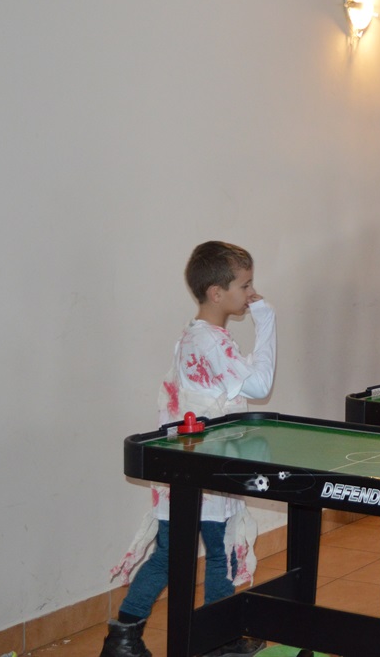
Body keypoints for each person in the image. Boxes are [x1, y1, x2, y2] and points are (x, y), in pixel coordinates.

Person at [103, 241, 277, 657]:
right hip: (201, 466)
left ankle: (123, 641)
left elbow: (240, 381)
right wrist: (267, 320)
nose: (252, 293)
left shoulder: (201, 336)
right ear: (217, 293)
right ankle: (218, 642)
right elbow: (260, 384)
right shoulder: (211, 342)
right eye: (245, 285)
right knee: (216, 553)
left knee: (171, 554)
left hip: (190, 462)